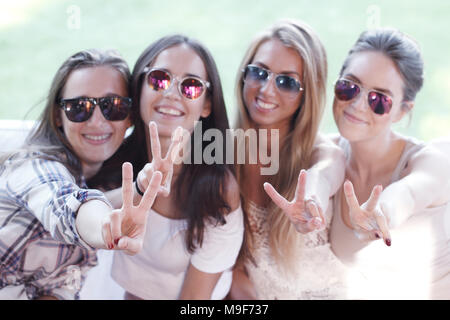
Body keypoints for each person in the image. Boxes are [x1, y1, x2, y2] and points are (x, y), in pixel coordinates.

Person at [0, 49, 162, 300]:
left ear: (129, 117)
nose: (97, 121)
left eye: (113, 106)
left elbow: (56, 288)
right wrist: (104, 228)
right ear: (58, 115)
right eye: (79, 107)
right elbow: (65, 203)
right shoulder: (34, 165)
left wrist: (140, 188)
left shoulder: (103, 179)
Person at [111, 35, 244, 300]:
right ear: (140, 88)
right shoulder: (116, 156)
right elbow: (81, 209)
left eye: (191, 86)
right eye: (159, 79)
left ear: (206, 105)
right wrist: (140, 187)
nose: (171, 93)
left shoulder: (218, 189)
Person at [228, 19, 352, 300]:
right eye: (259, 72)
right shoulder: (224, 153)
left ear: (307, 93)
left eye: (286, 81)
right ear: (243, 75)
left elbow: (324, 173)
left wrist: (312, 201)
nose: (266, 90)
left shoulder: (322, 152)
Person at [328, 28, 450, 299]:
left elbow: (411, 191)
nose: (358, 105)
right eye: (349, 86)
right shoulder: (327, 155)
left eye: (379, 100)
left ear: (403, 110)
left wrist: (382, 212)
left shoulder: (431, 161)